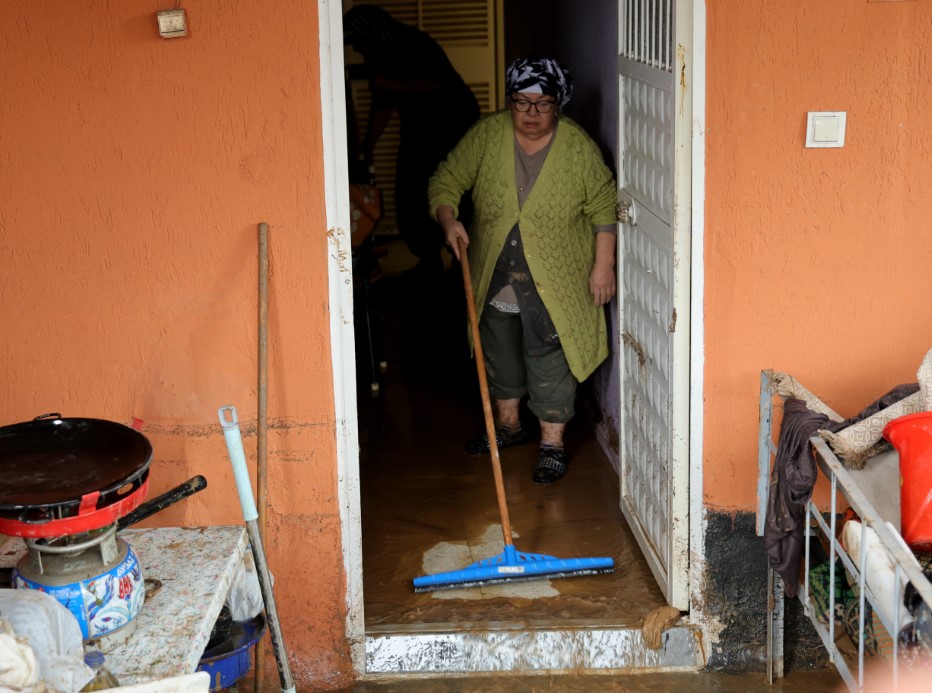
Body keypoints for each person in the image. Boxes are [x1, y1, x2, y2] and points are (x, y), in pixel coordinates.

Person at [428, 56, 618, 484]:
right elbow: (447, 178)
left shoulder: (576, 147)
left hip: (556, 277)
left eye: (543, 103)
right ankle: (509, 429)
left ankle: (552, 444)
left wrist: (603, 266)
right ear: (509, 101)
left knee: (549, 352)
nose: (531, 114)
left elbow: (604, 207)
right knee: (499, 345)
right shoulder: (488, 135)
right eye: (521, 102)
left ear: (558, 103)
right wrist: (448, 219)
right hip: (495, 268)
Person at [343, 4, 480, 275]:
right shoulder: (377, 55)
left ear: (369, 34)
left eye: (358, 42)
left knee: (454, 187)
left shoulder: (413, 43)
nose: (357, 50)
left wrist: (389, 85)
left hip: (452, 126)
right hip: (418, 130)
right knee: (410, 191)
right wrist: (366, 148)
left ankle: (459, 258)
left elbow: (437, 85)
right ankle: (427, 256)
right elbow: (382, 105)